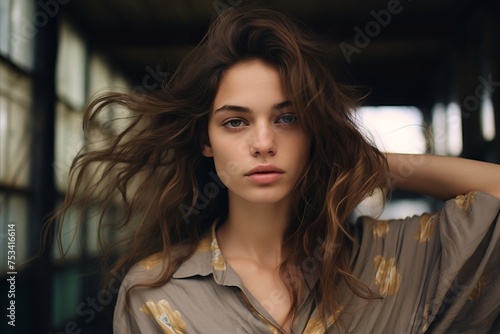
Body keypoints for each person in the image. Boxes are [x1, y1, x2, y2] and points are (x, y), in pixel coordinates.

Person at [53, 7, 500, 334]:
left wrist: (372, 164)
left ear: (314, 133)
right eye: (235, 122)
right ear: (206, 141)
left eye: (288, 118)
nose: (263, 143)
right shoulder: (156, 293)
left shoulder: (399, 257)